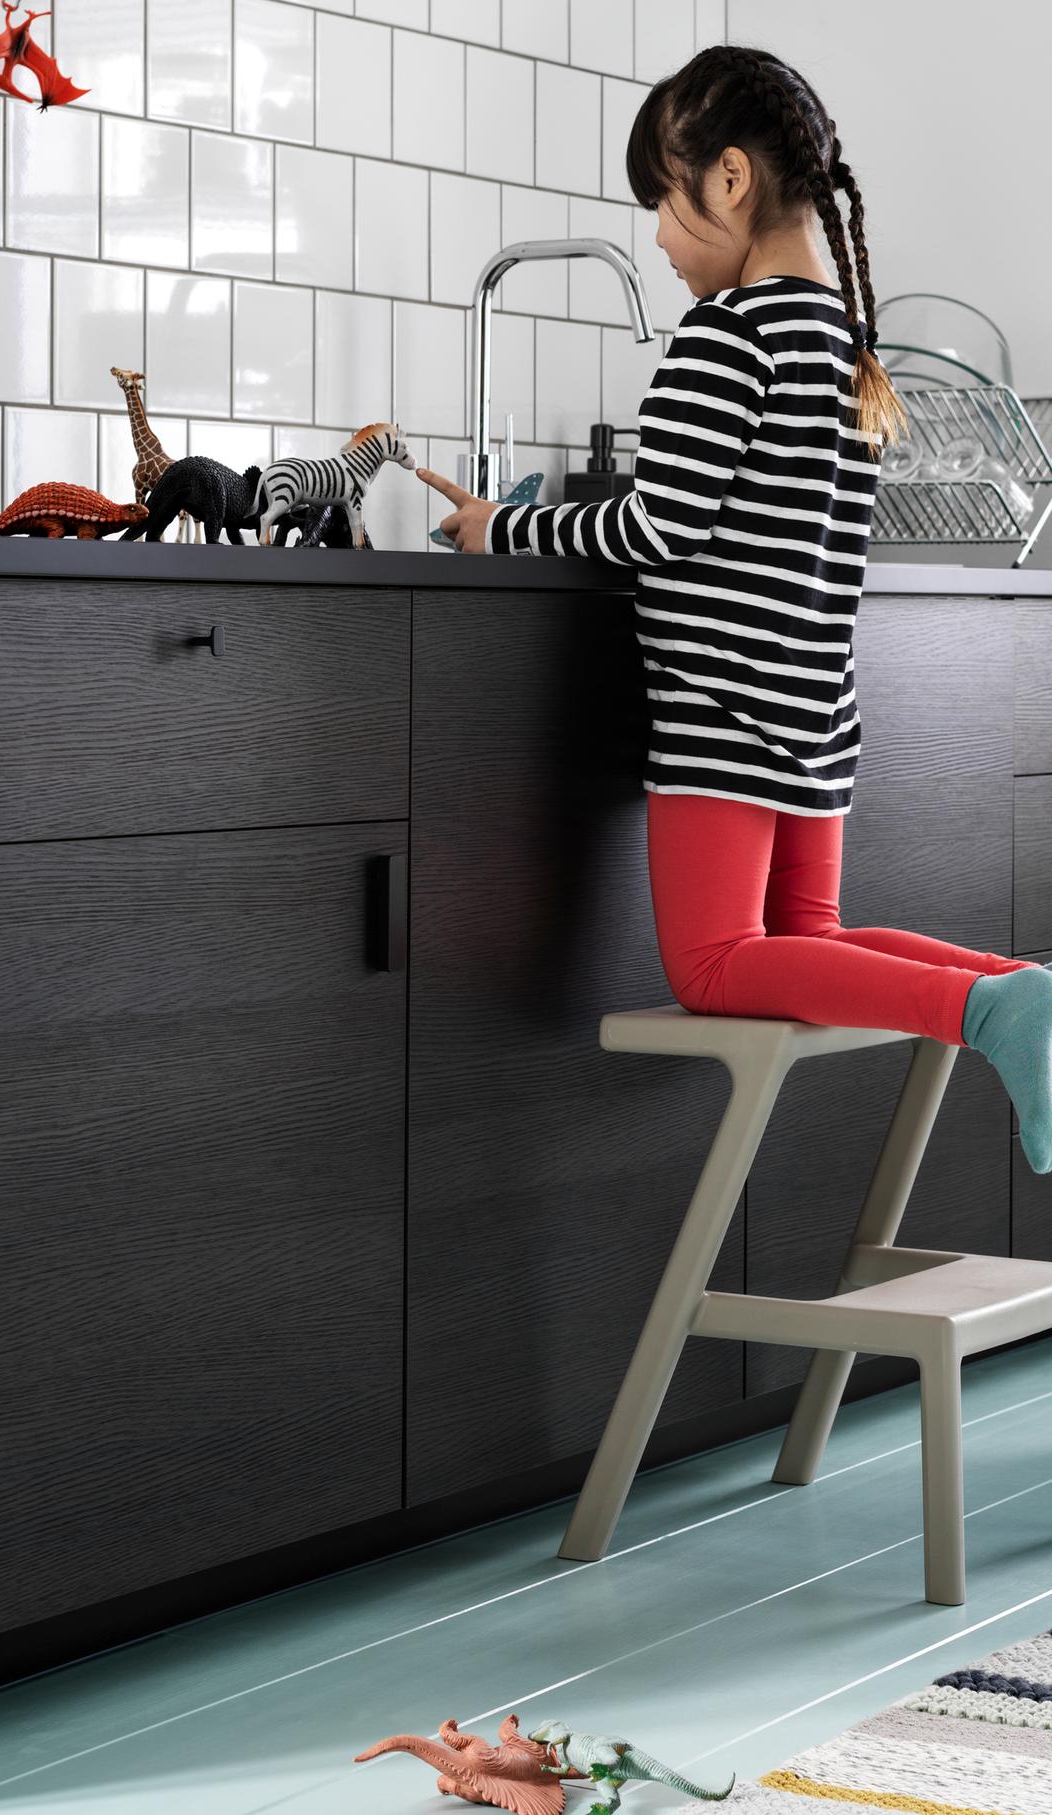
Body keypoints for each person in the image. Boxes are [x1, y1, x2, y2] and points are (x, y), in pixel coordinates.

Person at [419, 43, 1052, 1173]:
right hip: (814, 717)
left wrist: (497, 527)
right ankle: (1016, 988)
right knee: (804, 941)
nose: (657, 241)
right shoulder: (844, 347)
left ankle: (990, 1012)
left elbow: (656, 524)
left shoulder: (728, 335)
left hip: (723, 714)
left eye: (660, 204)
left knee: (711, 963)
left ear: (724, 180)